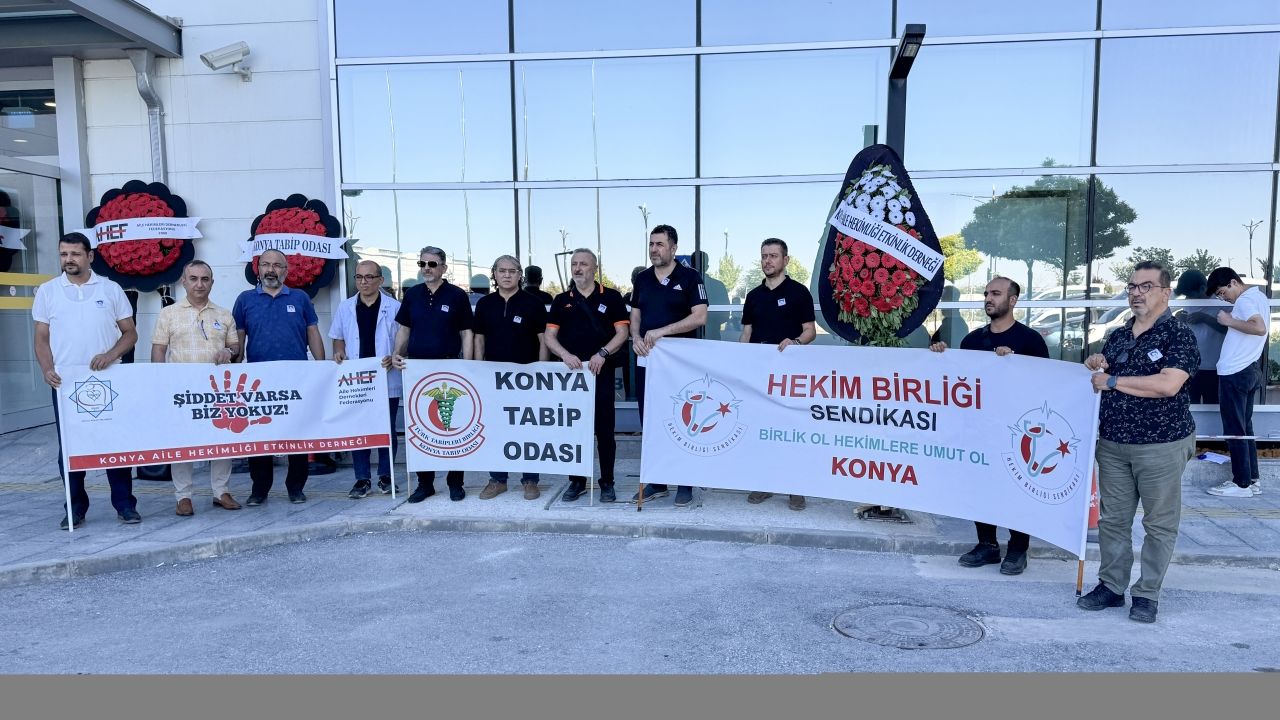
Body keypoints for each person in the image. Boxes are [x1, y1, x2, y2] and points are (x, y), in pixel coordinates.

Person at [1079, 261, 1198, 624]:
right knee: (1113, 521)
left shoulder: (1179, 335)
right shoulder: (1118, 335)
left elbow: (1168, 385)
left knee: (1158, 524)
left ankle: (1147, 594)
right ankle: (1111, 586)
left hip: (1161, 444)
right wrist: (1097, 363)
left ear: (1166, 293)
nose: (1136, 293)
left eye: (1145, 286)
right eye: (1132, 286)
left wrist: (1113, 381)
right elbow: (1102, 375)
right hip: (1114, 443)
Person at [929, 276, 1049, 575]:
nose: (988, 299)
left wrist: (1014, 363)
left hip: (1017, 429)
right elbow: (959, 379)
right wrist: (941, 357)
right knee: (981, 485)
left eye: (996, 293)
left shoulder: (1030, 340)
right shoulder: (972, 341)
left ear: (1012, 300)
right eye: (986, 294)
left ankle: (1018, 548)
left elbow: (1045, 383)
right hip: (980, 427)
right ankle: (987, 545)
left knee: (1017, 488)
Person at [33, 232, 140, 529]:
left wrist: (110, 354)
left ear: (90, 256)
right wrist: (47, 369)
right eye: (64, 254)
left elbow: (130, 333)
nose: (69, 259)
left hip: (108, 378)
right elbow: (41, 339)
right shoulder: (48, 292)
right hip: (66, 383)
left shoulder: (110, 289)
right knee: (70, 447)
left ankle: (125, 505)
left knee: (114, 444)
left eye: (75, 254)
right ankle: (75, 508)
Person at [232, 249, 326, 506]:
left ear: (286, 270)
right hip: (258, 382)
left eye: (277, 265)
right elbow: (238, 337)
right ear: (258, 269)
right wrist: (234, 369)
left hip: (297, 379)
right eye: (266, 264)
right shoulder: (245, 300)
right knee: (260, 436)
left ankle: (296, 487)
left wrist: (323, 368)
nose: (271, 270)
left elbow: (313, 332)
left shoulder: (300, 298)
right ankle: (259, 489)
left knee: (298, 434)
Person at [151, 260, 242, 515]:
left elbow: (235, 347)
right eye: (193, 278)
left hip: (217, 390)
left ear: (212, 283)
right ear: (184, 281)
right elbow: (158, 349)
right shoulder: (169, 313)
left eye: (205, 279)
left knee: (222, 439)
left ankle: (221, 491)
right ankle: (183, 496)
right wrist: (159, 383)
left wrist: (229, 351)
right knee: (182, 441)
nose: (199, 284)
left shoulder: (224, 314)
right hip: (181, 390)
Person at [629, 224, 708, 506]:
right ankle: (658, 480)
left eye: (660, 244)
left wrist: (662, 332)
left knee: (681, 419)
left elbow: (700, 317)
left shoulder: (690, 277)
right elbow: (635, 316)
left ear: (673, 248)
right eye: (651, 244)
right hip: (648, 360)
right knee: (651, 420)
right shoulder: (642, 279)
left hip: (680, 363)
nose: (654, 249)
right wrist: (636, 337)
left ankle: (684, 482)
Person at [544, 248, 630, 503]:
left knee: (605, 432)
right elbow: (549, 337)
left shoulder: (611, 297)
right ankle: (577, 481)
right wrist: (564, 355)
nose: (577, 268)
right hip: (572, 377)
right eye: (574, 264)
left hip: (601, 373)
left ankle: (607, 482)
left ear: (595, 268)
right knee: (574, 431)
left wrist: (603, 353)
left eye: (583, 264)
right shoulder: (561, 300)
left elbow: (622, 333)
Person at [392, 246, 474, 503]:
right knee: (420, 427)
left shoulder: (457, 295)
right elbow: (404, 329)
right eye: (422, 264)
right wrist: (396, 353)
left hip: (450, 368)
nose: (426, 268)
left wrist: (468, 365)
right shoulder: (412, 294)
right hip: (417, 370)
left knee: (454, 427)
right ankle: (424, 483)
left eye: (432, 264)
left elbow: (466, 333)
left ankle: (455, 482)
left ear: (444, 268)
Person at [740, 238, 816, 511]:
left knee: (790, 431)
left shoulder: (799, 293)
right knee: (762, 430)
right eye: (764, 256)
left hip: (789, 377)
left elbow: (810, 331)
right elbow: (746, 334)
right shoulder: (753, 296)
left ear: (786, 260)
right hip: (759, 376)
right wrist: (738, 361)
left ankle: (796, 487)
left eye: (773, 255)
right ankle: (765, 482)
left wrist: (795, 343)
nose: (767, 261)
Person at [475, 255, 549, 501]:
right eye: (502, 271)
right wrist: (478, 370)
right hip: (494, 378)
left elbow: (543, 340)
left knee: (528, 429)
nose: (507, 275)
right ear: (494, 274)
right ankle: (498, 479)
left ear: (520, 275)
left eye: (512, 271)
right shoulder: (485, 304)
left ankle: (530, 480)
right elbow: (479, 339)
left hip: (527, 378)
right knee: (497, 428)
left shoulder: (534, 303)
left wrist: (541, 370)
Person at [331, 259, 403, 499]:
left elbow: (404, 339)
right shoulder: (345, 307)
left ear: (380, 280)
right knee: (358, 428)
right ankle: (362, 479)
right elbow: (338, 337)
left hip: (385, 375)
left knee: (386, 427)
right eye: (359, 277)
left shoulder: (395, 307)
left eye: (369, 277)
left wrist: (395, 355)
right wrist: (339, 352)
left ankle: (386, 476)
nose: (363, 282)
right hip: (357, 379)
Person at [1205, 266, 1268, 498]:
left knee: (1235, 430)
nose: (1224, 299)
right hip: (1249, 369)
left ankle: (1241, 484)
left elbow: (1259, 328)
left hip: (1236, 371)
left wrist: (1228, 320)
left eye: (1222, 293)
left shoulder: (1244, 301)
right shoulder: (1259, 297)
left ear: (1233, 282)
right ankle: (1252, 480)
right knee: (1245, 429)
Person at [1173, 269, 1225, 404]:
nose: (1188, 298)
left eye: (1190, 295)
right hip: (1190, 368)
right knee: (1189, 407)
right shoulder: (1188, 303)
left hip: (1213, 369)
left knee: (1212, 407)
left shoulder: (1220, 303)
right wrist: (1178, 320)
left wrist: (1205, 318)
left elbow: (1229, 330)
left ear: (1203, 288)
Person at [691, 250, 730, 341]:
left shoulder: (684, 286)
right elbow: (725, 315)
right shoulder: (718, 286)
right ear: (707, 267)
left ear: (691, 266)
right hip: (712, 337)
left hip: (690, 339)